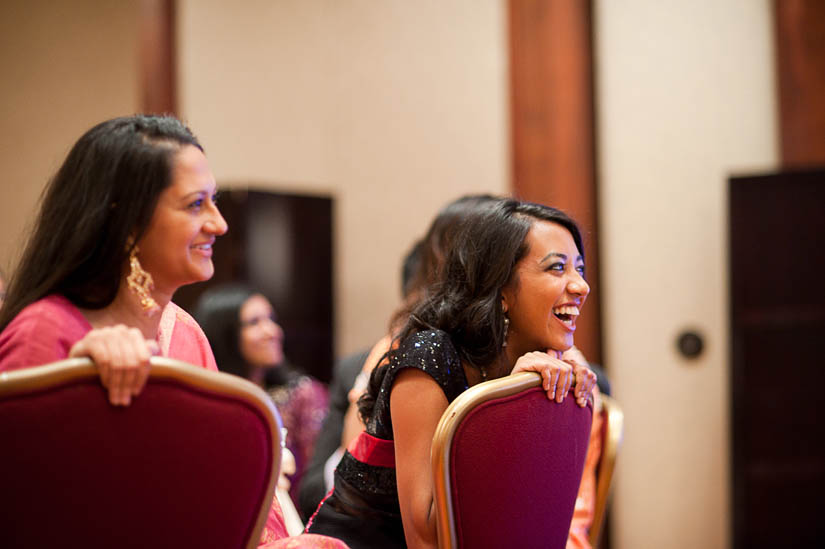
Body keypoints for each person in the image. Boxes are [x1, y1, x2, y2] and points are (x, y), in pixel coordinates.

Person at [0, 115, 345, 549]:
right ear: (125, 219)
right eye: (195, 205)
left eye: (214, 202)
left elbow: (225, 501)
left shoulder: (184, 332)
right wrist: (78, 384)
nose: (219, 224)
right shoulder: (44, 333)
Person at [306, 198, 598, 548]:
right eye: (557, 268)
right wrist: (506, 404)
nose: (580, 286)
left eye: (579, 269)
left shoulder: (547, 364)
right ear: (500, 287)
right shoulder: (429, 356)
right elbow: (428, 536)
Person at [194, 284, 329, 512]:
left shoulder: (301, 394)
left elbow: (316, 484)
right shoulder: (208, 400)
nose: (272, 331)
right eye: (254, 323)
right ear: (225, 334)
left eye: (271, 319)